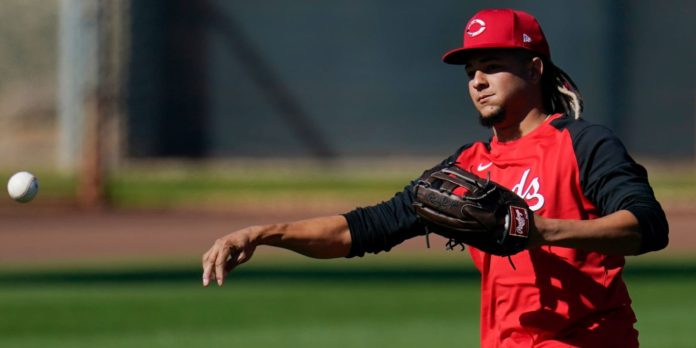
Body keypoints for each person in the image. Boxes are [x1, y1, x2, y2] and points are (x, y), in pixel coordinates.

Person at [201, 8, 668, 347]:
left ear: (534, 68)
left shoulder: (584, 144)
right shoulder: (466, 167)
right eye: (470, 72)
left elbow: (648, 226)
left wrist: (539, 229)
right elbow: (364, 229)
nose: (477, 82)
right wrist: (263, 234)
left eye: (491, 67)